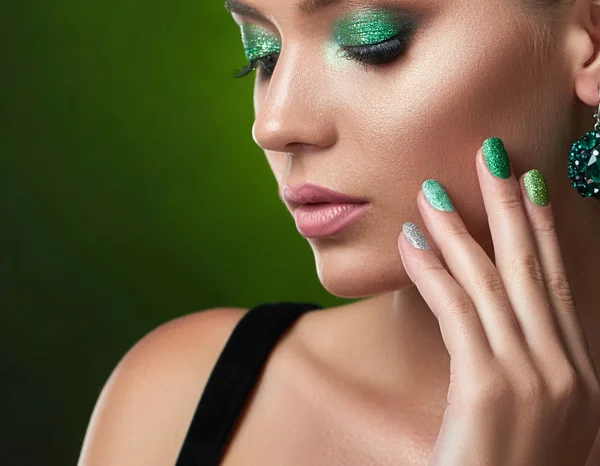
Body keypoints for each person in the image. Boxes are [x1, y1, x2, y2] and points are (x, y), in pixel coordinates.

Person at [78, 0, 600, 464]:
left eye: (371, 41)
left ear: (592, 41)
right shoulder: (175, 398)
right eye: (261, 53)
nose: (274, 125)